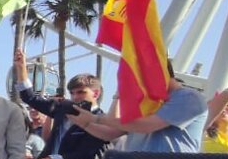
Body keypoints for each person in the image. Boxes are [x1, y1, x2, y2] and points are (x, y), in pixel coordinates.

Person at [71, 61, 206, 153]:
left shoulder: (188, 97)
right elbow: (111, 132)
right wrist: (85, 123)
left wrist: (96, 119)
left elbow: (147, 126)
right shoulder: (146, 101)